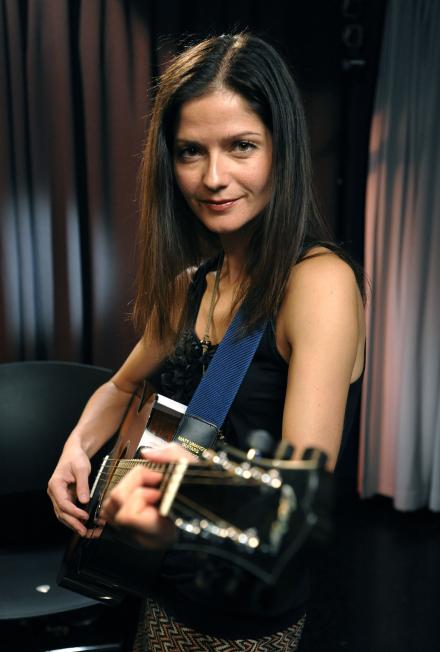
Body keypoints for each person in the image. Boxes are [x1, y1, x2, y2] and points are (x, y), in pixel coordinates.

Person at [48, 32, 366, 651]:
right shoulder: (189, 285)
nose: (214, 178)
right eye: (191, 151)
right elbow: (122, 386)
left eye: (242, 146)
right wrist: (77, 448)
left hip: (239, 620)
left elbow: (293, 495)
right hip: (158, 585)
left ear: (281, 149)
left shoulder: (319, 283)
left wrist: (174, 498)